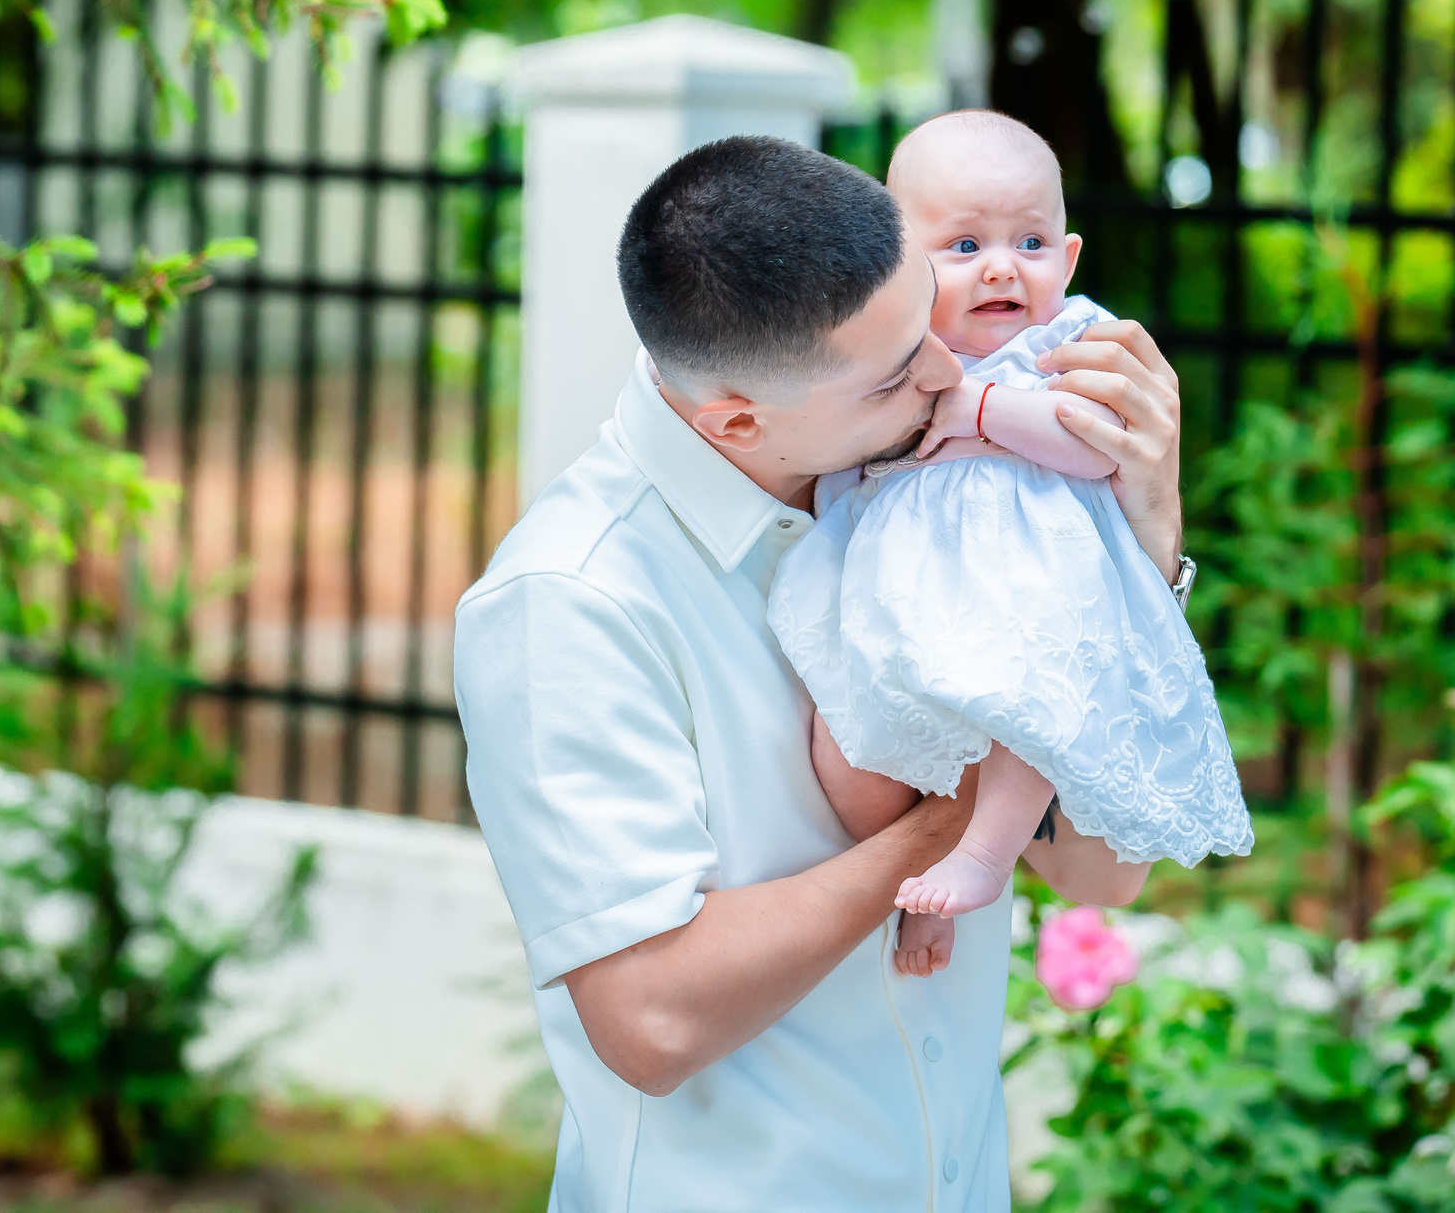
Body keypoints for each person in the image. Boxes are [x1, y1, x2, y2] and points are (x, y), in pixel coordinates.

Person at [454, 134, 1194, 1212]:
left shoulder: (948, 490)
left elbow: (1103, 873)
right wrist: (954, 821)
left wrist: (1147, 542)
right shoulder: (571, 600)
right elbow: (651, 1019)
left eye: (925, 320)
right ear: (737, 420)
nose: (947, 373)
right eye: (897, 372)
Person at [772, 110, 1251, 980]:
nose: (1001, 266)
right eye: (965, 246)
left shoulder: (1066, 345)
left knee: (1034, 716)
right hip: (906, 600)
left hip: (1031, 590)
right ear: (899, 265)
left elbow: (1097, 447)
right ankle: (911, 889)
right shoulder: (892, 358)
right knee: (844, 745)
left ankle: (986, 857)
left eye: (1029, 242)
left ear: (1067, 260)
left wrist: (984, 410)